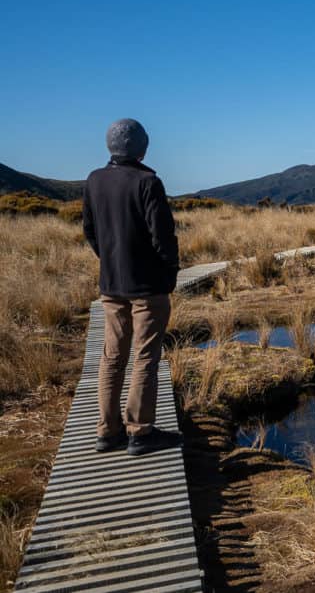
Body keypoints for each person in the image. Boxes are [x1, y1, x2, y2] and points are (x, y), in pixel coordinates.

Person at [82, 118, 182, 455]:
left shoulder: (94, 181)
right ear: (141, 147)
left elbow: (90, 231)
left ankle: (107, 432)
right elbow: (163, 238)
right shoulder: (148, 182)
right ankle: (139, 432)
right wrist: (170, 274)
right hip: (148, 288)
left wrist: (109, 259)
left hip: (111, 286)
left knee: (111, 357)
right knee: (144, 358)